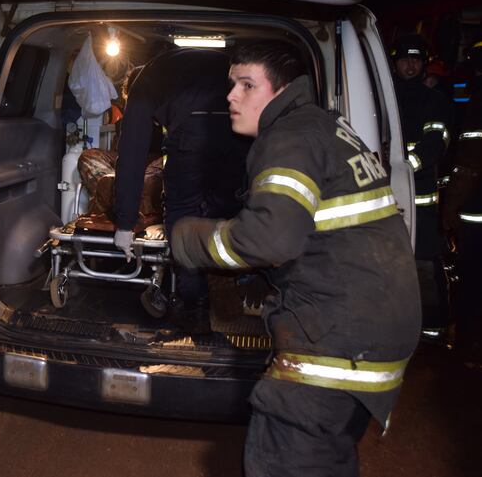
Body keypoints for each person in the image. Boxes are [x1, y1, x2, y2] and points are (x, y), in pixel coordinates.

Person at [171, 40, 420, 477]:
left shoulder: (288, 135)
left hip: (336, 340)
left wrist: (190, 240)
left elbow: (271, 239)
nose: (231, 96)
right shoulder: (323, 125)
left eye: (247, 85)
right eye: (233, 85)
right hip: (371, 330)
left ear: (280, 90)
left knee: (284, 461)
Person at [112, 48, 252, 329]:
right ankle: (243, 288)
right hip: (238, 136)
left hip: (191, 139)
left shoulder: (146, 81)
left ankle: (196, 309)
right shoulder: (209, 61)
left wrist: (125, 224)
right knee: (231, 214)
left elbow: (132, 152)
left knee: (183, 222)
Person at [392, 34, 453, 336]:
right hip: (387, 194)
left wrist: (406, 168)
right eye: (405, 58)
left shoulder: (434, 99)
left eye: (416, 59)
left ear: (424, 63)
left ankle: (432, 325)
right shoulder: (385, 95)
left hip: (422, 197)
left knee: (425, 260)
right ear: (396, 62)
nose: (411, 64)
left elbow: (436, 141)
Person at [441, 39, 482, 367]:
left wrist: (450, 210)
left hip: (475, 213)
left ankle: (467, 344)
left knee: (470, 282)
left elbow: (467, 164)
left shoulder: (477, 102)